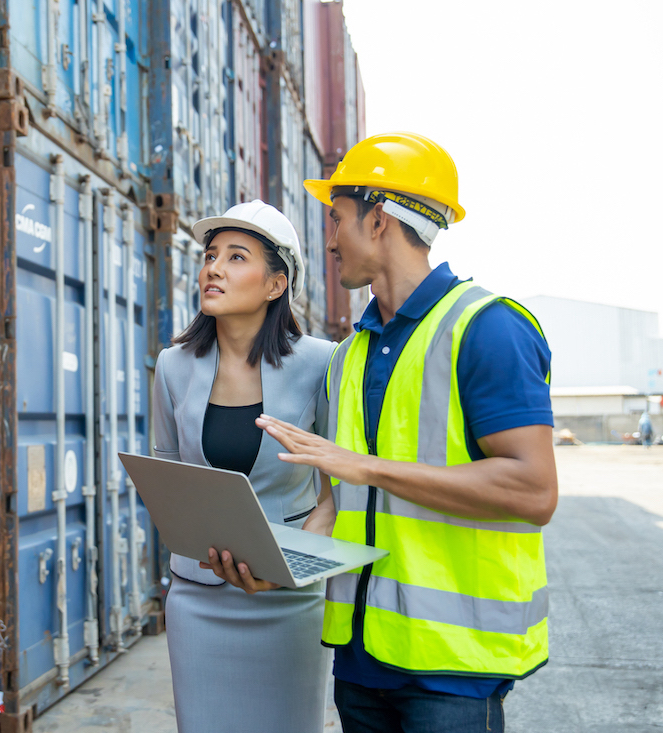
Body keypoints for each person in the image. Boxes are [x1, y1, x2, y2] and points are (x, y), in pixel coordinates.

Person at [221, 132, 558, 732]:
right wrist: (279, 564)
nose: (329, 240)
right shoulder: (349, 357)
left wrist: (368, 467)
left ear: (377, 220)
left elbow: (533, 492)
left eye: (337, 219)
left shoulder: (487, 329)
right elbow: (336, 507)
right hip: (361, 660)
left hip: (453, 670)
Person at [151, 200, 336, 733]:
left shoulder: (323, 362)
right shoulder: (172, 366)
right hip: (199, 597)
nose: (213, 268)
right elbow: (168, 470)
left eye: (236, 257)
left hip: (289, 601)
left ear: (276, 284)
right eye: (210, 255)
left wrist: (294, 563)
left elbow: (338, 490)